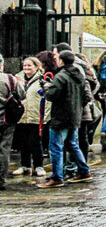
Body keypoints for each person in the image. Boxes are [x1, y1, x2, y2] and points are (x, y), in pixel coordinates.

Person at [39, 50, 91, 187]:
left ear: (61, 61)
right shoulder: (79, 75)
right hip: (75, 116)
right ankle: (84, 171)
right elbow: (87, 96)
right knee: (72, 144)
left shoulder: (61, 76)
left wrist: (46, 87)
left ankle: (57, 177)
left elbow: (51, 95)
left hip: (60, 116)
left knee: (56, 147)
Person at [12, 56, 47, 177]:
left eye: (29, 65)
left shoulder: (42, 80)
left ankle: (38, 166)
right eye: (25, 65)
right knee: (23, 143)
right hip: (21, 116)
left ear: (36, 67)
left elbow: (47, 99)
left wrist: (45, 116)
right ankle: (25, 166)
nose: (26, 68)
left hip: (35, 116)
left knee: (35, 142)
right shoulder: (17, 79)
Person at [0, 52, 27, 191]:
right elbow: (22, 95)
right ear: (1, 64)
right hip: (6, 120)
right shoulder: (10, 79)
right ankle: (1, 180)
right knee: (4, 150)